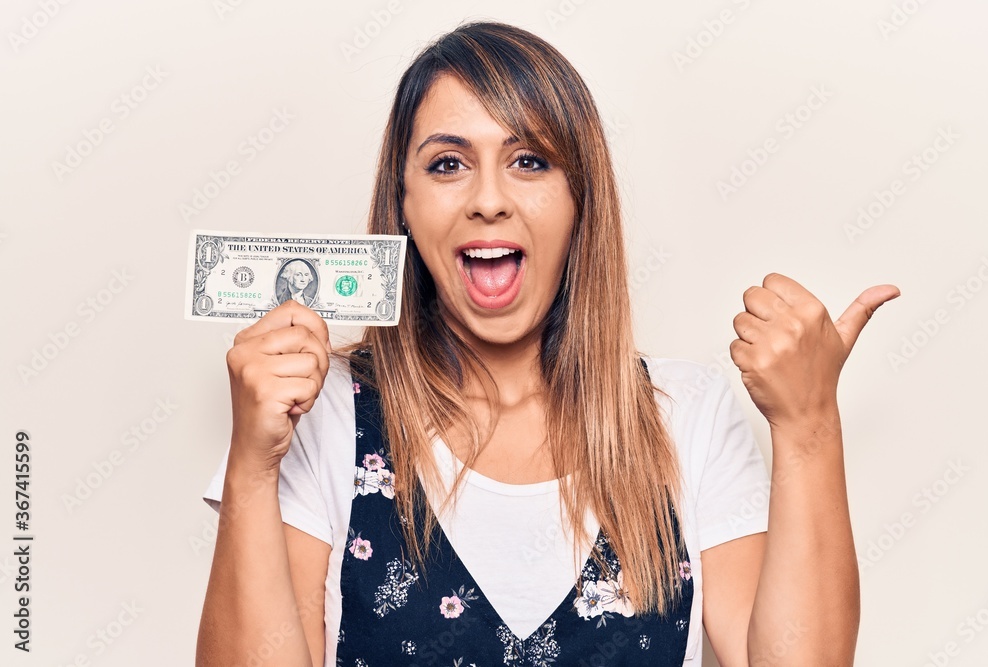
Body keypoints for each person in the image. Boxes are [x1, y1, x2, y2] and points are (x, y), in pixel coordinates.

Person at [197, 21, 898, 667]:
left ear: (578, 202)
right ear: (403, 205)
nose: (489, 199)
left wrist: (808, 426)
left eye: (529, 161)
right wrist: (252, 467)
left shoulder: (688, 414)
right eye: (447, 164)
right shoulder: (323, 411)